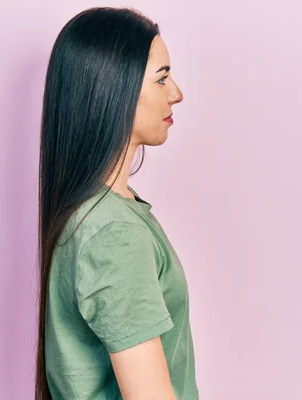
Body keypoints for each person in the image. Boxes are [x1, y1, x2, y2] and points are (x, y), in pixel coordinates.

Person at [36, 6, 198, 399]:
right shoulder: (113, 233)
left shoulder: (98, 214)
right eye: (161, 79)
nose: (177, 94)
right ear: (114, 89)